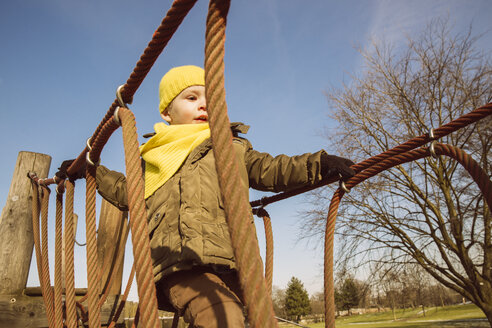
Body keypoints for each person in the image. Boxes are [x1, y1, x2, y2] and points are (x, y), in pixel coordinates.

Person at [62, 65, 355, 327]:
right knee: (221, 317)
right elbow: (127, 193)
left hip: (233, 262)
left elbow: (273, 170)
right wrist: (93, 172)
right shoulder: (152, 158)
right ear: (167, 112)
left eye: (210, 98)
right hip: (178, 266)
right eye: (191, 98)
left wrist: (319, 164)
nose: (204, 105)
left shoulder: (232, 147)